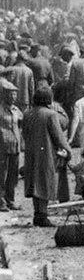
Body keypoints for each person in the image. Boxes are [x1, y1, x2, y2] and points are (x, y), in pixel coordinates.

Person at [22, 87, 73, 226]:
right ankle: (43, 216)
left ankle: (37, 214)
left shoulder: (27, 113)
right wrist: (68, 151)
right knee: (44, 181)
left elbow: (24, 133)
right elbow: (58, 136)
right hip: (46, 153)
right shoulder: (51, 114)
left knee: (34, 182)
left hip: (31, 152)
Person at [0, 80, 22, 212]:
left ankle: (10, 200)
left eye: (14, 95)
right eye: (10, 95)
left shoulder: (16, 110)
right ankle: (1, 201)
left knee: (13, 175)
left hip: (15, 146)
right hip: (2, 146)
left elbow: (22, 120)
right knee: (2, 175)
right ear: (4, 95)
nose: (13, 97)